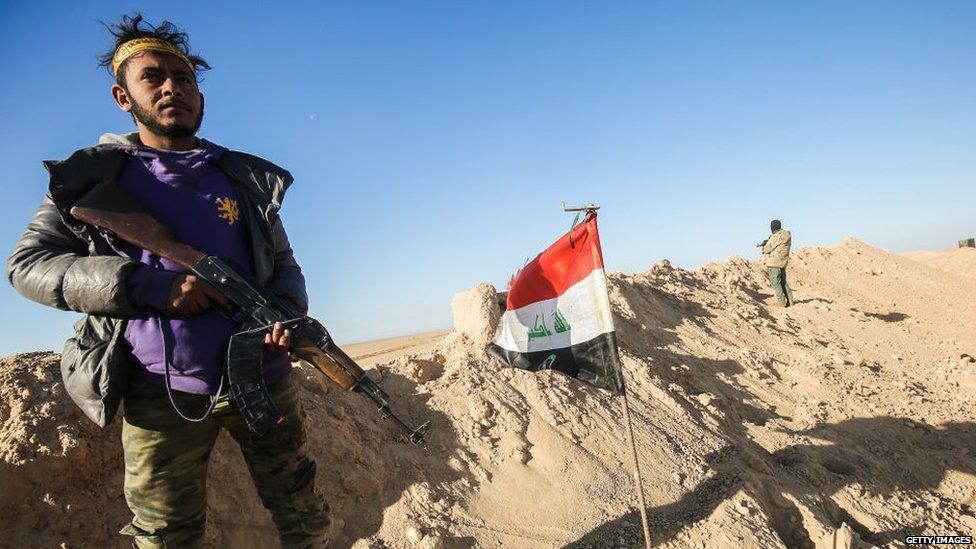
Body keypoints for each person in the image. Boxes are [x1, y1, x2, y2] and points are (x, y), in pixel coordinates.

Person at [7, 14, 330, 548]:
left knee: (302, 509)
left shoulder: (245, 179)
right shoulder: (93, 180)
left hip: (264, 380)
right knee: (164, 534)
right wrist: (150, 288)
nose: (171, 88)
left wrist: (286, 316)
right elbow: (29, 266)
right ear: (122, 96)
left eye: (184, 78)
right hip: (159, 390)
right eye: (152, 77)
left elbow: (284, 265)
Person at [761, 219, 794, 307]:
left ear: (772, 227)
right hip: (783, 261)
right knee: (782, 282)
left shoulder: (776, 236)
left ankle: (782, 302)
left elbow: (767, 249)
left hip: (774, 262)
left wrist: (764, 246)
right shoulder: (786, 234)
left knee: (775, 282)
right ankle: (790, 300)